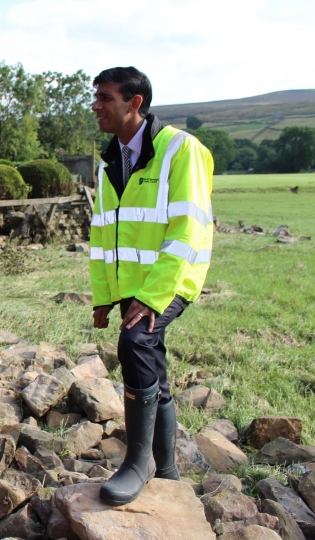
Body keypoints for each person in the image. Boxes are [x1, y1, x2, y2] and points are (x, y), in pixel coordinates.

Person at [88, 67, 214, 506]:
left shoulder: (182, 150)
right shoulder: (110, 162)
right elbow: (103, 234)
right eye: (96, 97)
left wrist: (154, 297)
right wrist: (105, 296)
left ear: (135, 102)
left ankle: (139, 462)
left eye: (105, 98)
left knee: (136, 342)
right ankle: (169, 471)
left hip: (172, 278)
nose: (96, 106)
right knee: (150, 360)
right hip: (132, 285)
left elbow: (188, 229)